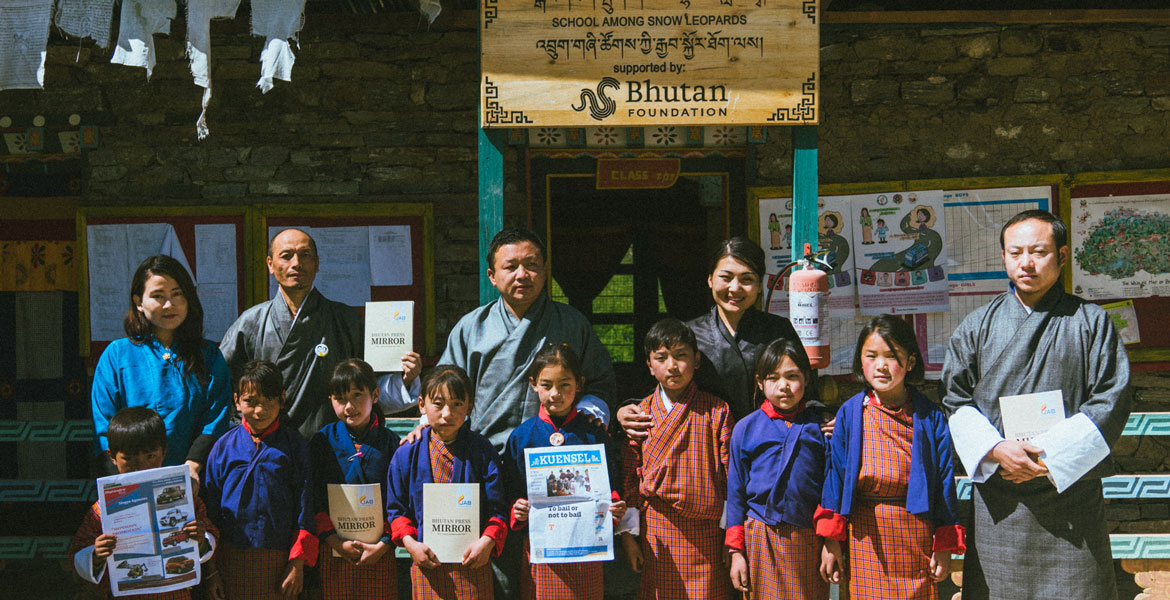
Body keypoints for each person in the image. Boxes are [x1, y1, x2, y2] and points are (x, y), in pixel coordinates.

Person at [941, 209, 1132, 600]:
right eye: (1015, 253)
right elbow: (954, 399)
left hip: (1070, 494)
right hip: (1002, 495)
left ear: (1062, 256)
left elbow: (1112, 396)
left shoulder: (1091, 323)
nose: (1026, 262)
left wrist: (1048, 456)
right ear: (1005, 258)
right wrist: (996, 450)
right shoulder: (978, 326)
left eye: (1039, 251)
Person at [219, 228, 420, 438]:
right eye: (286, 256)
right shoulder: (250, 322)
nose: (296, 263)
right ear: (270, 264)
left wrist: (404, 379)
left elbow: (369, 386)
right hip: (267, 444)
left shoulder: (345, 319)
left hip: (333, 447)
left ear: (317, 263)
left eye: (305, 255)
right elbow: (220, 383)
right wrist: (242, 430)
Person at [817, 315, 964, 600]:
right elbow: (834, 477)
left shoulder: (929, 415)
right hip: (866, 536)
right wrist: (831, 540)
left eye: (892, 356)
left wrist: (944, 544)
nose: (881, 365)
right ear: (861, 361)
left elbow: (945, 481)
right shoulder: (850, 412)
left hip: (915, 534)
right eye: (871, 356)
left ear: (910, 362)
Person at [618, 238, 823, 440]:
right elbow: (659, 383)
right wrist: (625, 410)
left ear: (760, 285)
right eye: (726, 277)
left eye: (747, 279)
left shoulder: (777, 329)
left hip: (769, 443)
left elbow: (807, 388)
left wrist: (822, 414)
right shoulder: (689, 335)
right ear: (710, 280)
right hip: (704, 444)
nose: (735, 288)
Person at [431, 228, 616, 453]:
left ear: (545, 270)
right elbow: (443, 387)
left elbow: (600, 382)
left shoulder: (572, 323)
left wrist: (589, 412)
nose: (522, 274)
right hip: (484, 452)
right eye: (510, 267)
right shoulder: (471, 327)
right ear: (492, 276)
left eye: (531, 265)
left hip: (556, 451)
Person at [91, 254, 232, 487]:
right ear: (139, 301)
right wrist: (118, 481)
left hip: (191, 479)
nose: (169, 305)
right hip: (128, 481)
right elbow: (103, 424)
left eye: (177, 294)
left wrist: (193, 467)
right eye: (158, 296)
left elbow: (216, 416)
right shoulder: (117, 355)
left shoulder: (208, 355)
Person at [503, 344, 626, 600]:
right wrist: (517, 509)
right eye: (546, 385)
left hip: (587, 551)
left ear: (579, 384)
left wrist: (614, 507)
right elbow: (509, 491)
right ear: (533, 384)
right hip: (541, 551)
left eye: (565, 384)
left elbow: (612, 486)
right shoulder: (522, 437)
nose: (555, 394)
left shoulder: (593, 434)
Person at [621, 319, 733, 600]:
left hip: (707, 532)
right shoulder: (640, 414)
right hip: (656, 531)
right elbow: (629, 476)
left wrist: (731, 538)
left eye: (681, 355)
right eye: (661, 358)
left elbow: (731, 477)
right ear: (649, 365)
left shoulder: (717, 410)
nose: (672, 365)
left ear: (696, 361)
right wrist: (628, 537)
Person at [70, 407, 222, 600]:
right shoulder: (103, 508)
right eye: (129, 459)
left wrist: (200, 538)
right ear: (112, 457)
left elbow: (211, 539)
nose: (141, 466)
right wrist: (96, 553)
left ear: (164, 451)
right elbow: (78, 552)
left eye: (150, 456)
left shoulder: (181, 498)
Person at [387, 365, 509, 600]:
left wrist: (488, 540)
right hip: (426, 564)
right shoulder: (406, 454)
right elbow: (396, 509)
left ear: (469, 407)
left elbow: (498, 508)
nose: (447, 413)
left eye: (456, 404)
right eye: (438, 404)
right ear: (422, 404)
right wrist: (410, 543)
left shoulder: (482, 451)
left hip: (472, 562)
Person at [203, 360, 317, 600]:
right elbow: (209, 512)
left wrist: (297, 563)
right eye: (251, 402)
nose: (259, 411)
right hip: (229, 558)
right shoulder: (223, 447)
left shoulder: (294, 446)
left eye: (269, 401)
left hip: (279, 559)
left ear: (282, 399)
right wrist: (211, 571)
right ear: (236, 401)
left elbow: (305, 508)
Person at [725, 339, 827, 599]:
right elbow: (735, 494)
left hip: (808, 537)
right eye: (773, 378)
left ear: (806, 377)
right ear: (759, 382)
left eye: (792, 376)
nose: (783, 386)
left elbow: (831, 486)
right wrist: (736, 552)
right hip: (760, 536)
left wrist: (830, 540)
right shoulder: (746, 428)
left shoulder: (821, 427)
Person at [309, 359, 400, 600]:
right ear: (330, 400)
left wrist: (384, 544)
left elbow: (399, 500)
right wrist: (333, 541)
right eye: (340, 398)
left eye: (358, 395)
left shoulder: (392, 443)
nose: (350, 406)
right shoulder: (322, 442)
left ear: (376, 394)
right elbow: (314, 498)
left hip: (380, 550)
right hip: (335, 548)